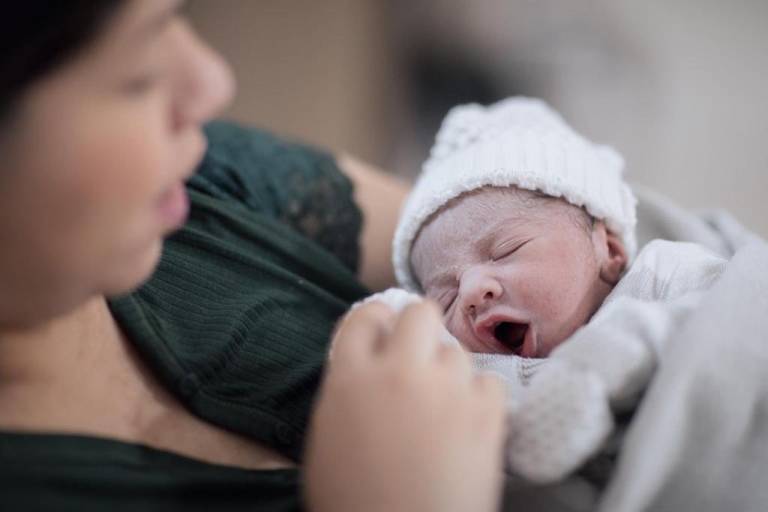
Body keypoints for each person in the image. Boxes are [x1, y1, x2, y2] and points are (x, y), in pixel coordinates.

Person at [0, 1, 506, 511]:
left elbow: (531, 234)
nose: (214, 81)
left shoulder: (197, 183)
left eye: (177, 16)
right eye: (136, 75)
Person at [356, 97, 728, 483]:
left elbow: (727, 316)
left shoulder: (660, 277)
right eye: (445, 297)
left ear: (610, 250)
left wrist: (595, 366)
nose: (469, 291)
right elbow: (426, 365)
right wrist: (392, 318)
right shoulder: (482, 367)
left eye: (505, 251)